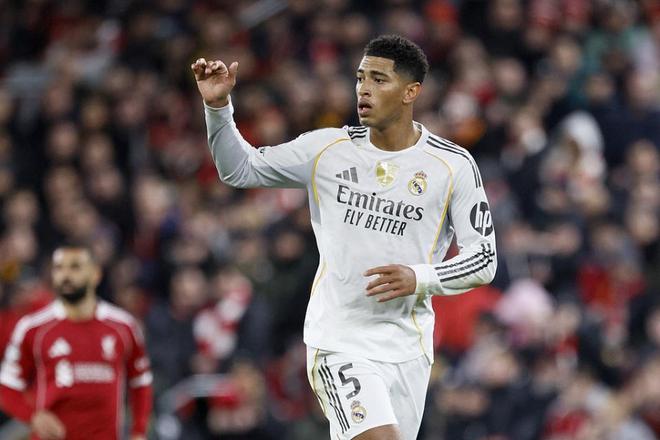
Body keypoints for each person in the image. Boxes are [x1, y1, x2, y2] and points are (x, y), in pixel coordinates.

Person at [192, 34, 497, 440]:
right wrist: (218, 108)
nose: (364, 89)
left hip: (408, 349)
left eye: (378, 79)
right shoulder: (327, 149)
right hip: (340, 341)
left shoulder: (451, 165)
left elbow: (484, 258)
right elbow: (240, 169)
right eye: (360, 78)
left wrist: (420, 277)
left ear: (411, 92)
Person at [0, 245, 153, 440]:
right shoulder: (33, 328)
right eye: (59, 268)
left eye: (75, 267)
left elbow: (140, 382)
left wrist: (139, 431)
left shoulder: (123, 326)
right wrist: (32, 416)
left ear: (95, 274)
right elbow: (7, 387)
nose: (66, 275)